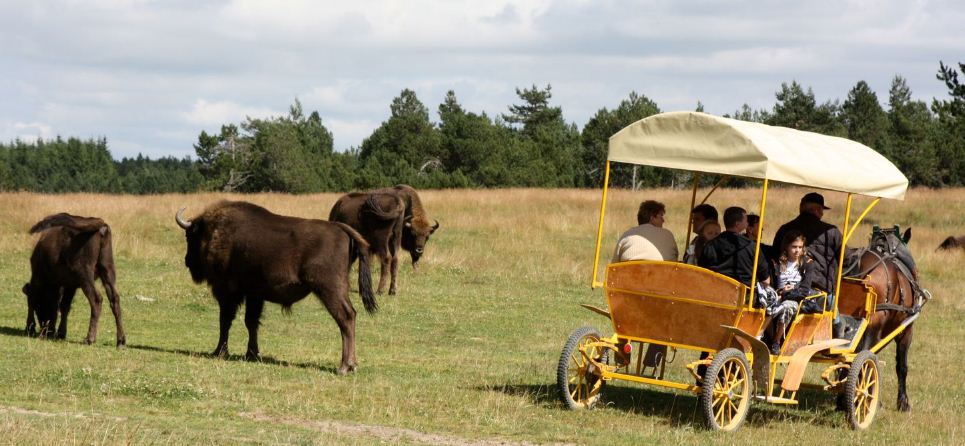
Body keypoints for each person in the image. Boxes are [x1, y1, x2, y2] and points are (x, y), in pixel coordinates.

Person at [772, 192, 845, 335]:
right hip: (819, 288)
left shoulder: (785, 229)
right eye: (822, 210)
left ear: (801, 208)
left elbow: (776, 254)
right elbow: (845, 258)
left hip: (785, 286)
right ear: (817, 210)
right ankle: (837, 330)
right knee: (836, 316)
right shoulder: (831, 231)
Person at [698, 206, 769, 287]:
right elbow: (766, 280)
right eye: (746, 220)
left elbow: (701, 272)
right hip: (744, 296)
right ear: (737, 224)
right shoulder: (751, 246)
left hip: (714, 292)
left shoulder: (710, 245)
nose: (747, 223)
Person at [612, 200, 678, 262]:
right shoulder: (668, 235)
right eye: (661, 216)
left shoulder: (627, 235)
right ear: (651, 218)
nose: (663, 220)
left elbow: (614, 267)